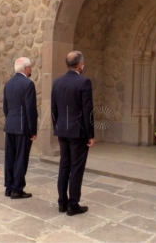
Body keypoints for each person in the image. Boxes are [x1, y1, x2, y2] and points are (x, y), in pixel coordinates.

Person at [51, 51, 95, 216]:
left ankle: (62, 203)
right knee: (76, 168)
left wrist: (58, 127)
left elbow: (54, 109)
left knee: (64, 166)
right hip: (78, 132)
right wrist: (90, 134)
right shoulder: (84, 82)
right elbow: (87, 110)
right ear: (80, 64)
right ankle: (73, 204)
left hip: (62, 130)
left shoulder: (57, 82)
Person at [3, 57, 38, 199]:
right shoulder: (28, 84)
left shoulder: (8, 84)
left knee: (10, 157)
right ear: (26, 68)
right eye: (30, 67)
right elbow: (30, 109)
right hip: (23, 127)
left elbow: (5, 107)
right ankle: (17, 189)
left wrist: (11, 120)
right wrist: (33, 130)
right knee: (21, 158)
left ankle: (9, 187)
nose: (30, 70)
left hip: (10, 125)